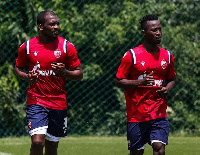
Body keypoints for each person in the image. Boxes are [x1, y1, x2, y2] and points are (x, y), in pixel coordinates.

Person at [14, 10, 83, 155]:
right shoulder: (27, 46)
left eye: (57, 24)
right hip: (36, 100)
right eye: (52, 24)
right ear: (41, 27)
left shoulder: (66, 46)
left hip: (58, 102)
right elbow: (18, 68)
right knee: (38, 142)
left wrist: (65, 72)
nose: (56, 27)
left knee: (52, 148)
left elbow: (79, 74)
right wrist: (27, 77)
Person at [116, 14, 176, 155]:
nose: (158, 33)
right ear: (144, 32)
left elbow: (172, 78)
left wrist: (167, 89)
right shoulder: (132, 55)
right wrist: (139, 82)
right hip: (137, 115)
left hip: (159, 112)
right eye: (154, 30)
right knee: (137, 153)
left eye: (160, 29)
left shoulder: (167, 56)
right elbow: (119, 81)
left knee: (159, 148)